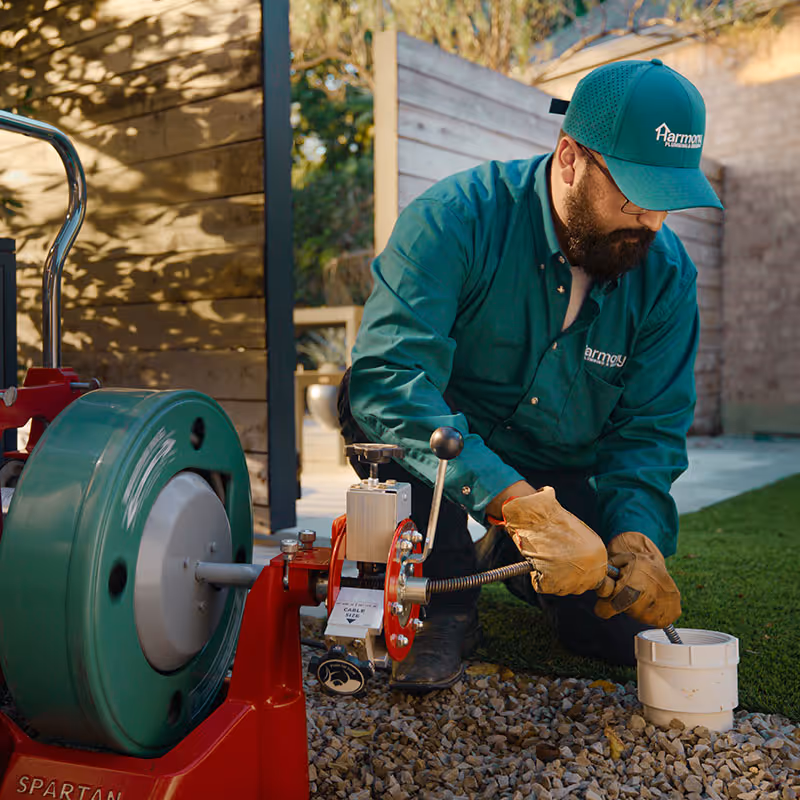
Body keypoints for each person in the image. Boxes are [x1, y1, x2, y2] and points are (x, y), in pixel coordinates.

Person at [337, 58, 723, 692]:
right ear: (569, 157)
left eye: (669, 200)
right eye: (635, 192)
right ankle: (450, 600)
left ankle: (512, 560)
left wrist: (636, 538)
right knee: (364, 401)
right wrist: (517, 507)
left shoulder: (668, 276)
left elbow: (649, 430)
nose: (653, 221)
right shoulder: (455, 218)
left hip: (558, 460)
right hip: (446, 450)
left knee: (613, 632)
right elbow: (392, 375)